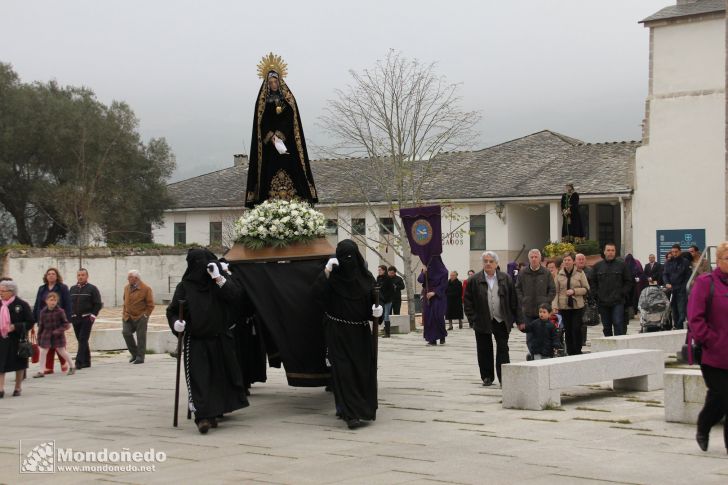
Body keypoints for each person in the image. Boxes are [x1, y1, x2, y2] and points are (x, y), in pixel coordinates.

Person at [167, 249, 250, 434]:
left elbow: (236, 297)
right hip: (195, 340)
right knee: (200, 378)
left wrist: (218, 277)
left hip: (220, 338)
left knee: (219, 377)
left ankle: (214, 412)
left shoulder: (218, 283)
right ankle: (202, 416)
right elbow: (173, 310)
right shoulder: (184, 287)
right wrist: (176, 324)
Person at [313, 240, 383, 429]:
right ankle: (350, 413)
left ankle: (362, 408)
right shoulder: (332, 278)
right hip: (337, 331)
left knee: (362, 370)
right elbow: (316, 295)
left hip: (360, 332)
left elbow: (374, 302)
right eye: (344, 257)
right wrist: (326, 273)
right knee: (344, 372)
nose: (349, 261)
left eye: (352, 256)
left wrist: (378, 311)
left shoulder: (367, 278)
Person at [244, 53, 318, 208]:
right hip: (269, 147)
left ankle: (297, 198)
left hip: (287, 142)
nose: (273, 84)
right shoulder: (262, 102)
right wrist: (270, 134)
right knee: (268, 171)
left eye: (275, 81)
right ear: (267, 83)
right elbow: (261, 122)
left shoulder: (287, 99)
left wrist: (280, 133)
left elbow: (291, 118)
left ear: (279, 81)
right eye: (270, 82)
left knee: (292, 167)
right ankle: (265, 199)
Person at [687, 241, 728, 454]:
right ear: (718, 261)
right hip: (713, 355)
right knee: (721, 396)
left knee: (719, 398)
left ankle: (703, 426)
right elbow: (695, 318)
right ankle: (704, 426)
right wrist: (710, 339)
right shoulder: (706, 283)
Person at [464, 251, 521, 386]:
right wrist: (472, 319)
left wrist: (517, 319)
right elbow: (467, 302)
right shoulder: (474, 280)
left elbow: (514, 300)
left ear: (496, 264)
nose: (488, 263)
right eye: (485, 261)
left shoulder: (505, 278)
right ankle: (487, 376)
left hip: (501, 320)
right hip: (482, 320)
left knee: (503, 349)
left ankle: (504, 377)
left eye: (491, 261)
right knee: (484, 349)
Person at [33, 267, 72, 375]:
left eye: (53, 274)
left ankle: (65, 362)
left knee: (59, 344)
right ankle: (48, 367)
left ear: (57, 276)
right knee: (46, 345)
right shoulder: (42, 288)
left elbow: (68, 303)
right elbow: (37, 304)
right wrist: (34, 318)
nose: (51, 275)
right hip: (45, 319)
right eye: (49, 274)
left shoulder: (62, 288)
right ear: (46, 276)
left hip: (57, 320)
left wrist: (68, 320)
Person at [0, 280, 34, 397]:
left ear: (12, 291)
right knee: (1, 364)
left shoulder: (22, 304)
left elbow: (30, 322)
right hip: (2, 338)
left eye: (3, 291)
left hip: (17, 339)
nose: (1, 293)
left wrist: (15, 326)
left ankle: (18, 387)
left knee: (19, 363)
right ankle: (1, 389)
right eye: (0, 291)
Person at [553, 253, 590, 355]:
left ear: (573, 261)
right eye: (565, 260)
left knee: (576, 328)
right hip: (564, 306)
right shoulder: (559, 274)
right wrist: (555, 305)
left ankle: (578, 350)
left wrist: (574, 291)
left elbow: (586, 289)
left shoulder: (580, 273)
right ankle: (570, 351)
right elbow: (555, 291)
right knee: (568, 330)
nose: (566, 262)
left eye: (569, 260)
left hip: (577, 305)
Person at [592, 243, 632, 336]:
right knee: (606, 326)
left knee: (618, 323)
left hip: (618, 301)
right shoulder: (597, 266)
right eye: (608, 250)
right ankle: (609, 347)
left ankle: (619, 347)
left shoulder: (622, 265)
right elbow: (593, 282)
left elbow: (629, 282)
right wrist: (597, 294)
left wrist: (622, 293)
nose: (610, 253)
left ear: (615, 252)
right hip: (603, 302)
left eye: (612, 250)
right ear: (604, 252)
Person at [34, 292, 75, 377]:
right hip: (46, 335)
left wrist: (58, 331)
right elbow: (41, 326)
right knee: (43, 351)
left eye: (55, 300)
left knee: (62, 351)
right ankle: (41, 371)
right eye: (51, 300)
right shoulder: (43, 312)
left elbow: (66, 324)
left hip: (58, 335)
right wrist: (39, 337)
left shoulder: (60, 311)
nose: (53, 302)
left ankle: (72, 366)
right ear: (46, 301)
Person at [69, 268, 103, 370]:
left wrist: (93, 315)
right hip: (75, 318)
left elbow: (98, 304)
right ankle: (87, 361)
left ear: (87, 276)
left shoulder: (92, 288)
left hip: (86, 318)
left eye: (83, 275)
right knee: (81, 339)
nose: (81, 277)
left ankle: (78, 362)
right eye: (79, 275)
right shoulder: (72, 289)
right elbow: (68, 302)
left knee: (83, 338)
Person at [515, 249, 556, 333]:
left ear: (540, 259)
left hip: (542, 310)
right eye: (532, 257)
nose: (534, 259)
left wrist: (546, 301)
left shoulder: (546, 273)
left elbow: (552, 289)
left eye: (536, 257)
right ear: (529, 259)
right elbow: (517, 288)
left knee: (542, 335)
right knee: (530, 337)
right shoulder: (522, 273)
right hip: (527, 310)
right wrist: (523, 300)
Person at [122, 270, 154, 364]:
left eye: (129, 277)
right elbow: (125, 301)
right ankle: (134, 354)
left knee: (141, 337)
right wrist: (124, 312)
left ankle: (140, 357)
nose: (128, 279)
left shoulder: (146, 288)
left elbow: (150, 305)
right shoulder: (126, 288)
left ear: (136, 278)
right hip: (128, 316)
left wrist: (145, 315)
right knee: (126, 333)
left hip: (141, 316)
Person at [418, 256, 448, 345]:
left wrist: (434, 293)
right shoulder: (427, 270)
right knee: (428, 318)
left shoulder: (444, 272)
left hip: (439, 297)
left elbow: (444, 285)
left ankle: (442, 336)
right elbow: (420, 280)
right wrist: (423, 272)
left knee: (438, 317)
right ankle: (432, 339)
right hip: (427, 296)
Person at [664, 244, 691, 330]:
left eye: (676, 252)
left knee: (682, 311)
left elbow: (688, 276)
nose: (674, 254)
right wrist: (667, 283)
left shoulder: (685, 262)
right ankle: (676, 326)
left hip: (681, 290)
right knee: (674, 311)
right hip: (672, 290)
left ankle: (679, 326)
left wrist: (683, 287)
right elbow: (665, 274)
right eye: (673, 252)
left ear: (680, 251)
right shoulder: (668, 262)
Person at [376, 265, 394, 338]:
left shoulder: (388, 278)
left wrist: (386, 297)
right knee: (380, 315)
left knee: (386, 316)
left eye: (380, 270)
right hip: (380, 300)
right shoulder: (378, 278)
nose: (379, 271)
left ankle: (387, 333)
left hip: (387, 300)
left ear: (384, 270)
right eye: (378, 270)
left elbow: (391, 290)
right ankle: (379, 330)